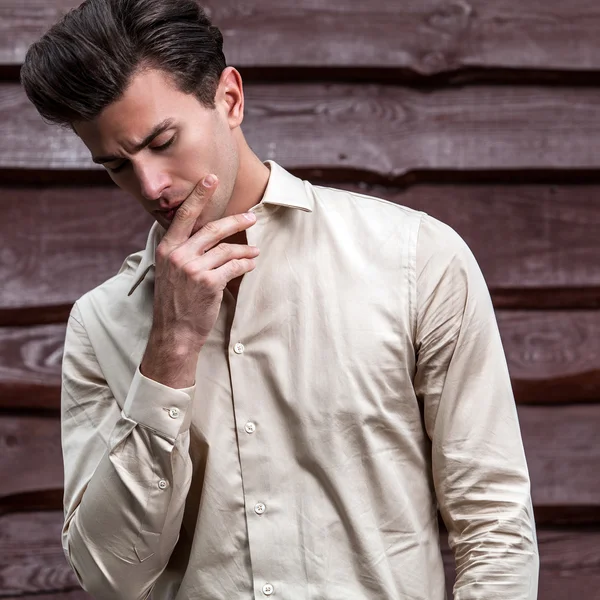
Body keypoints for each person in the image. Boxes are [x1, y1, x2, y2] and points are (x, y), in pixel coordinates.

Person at [21, 0, 539, 598]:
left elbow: (494, 523)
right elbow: (110, 577)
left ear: (230, 99)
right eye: (116, 165)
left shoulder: (415, 258)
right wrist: (171, 349)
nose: (151, 186)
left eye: (163, 141)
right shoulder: (100, 323)